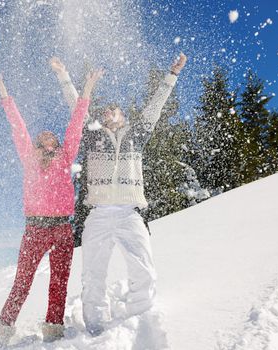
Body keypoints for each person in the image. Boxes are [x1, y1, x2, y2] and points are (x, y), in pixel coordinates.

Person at [51, 53, 187, 336]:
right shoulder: (92, 134)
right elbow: (76, 107)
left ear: (123, 116)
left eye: (113, 111)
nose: (108, 114)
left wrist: (171, 76)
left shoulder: (137, 134)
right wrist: (64, 76)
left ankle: (140, 320)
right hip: (98, 214)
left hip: (130, 213)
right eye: (105, 112)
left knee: (143, 269)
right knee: (93, 274)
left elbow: (154, 108)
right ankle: (96, 329)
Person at [0, 66, 103, 346]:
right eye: (44, 136)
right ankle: (4, 328)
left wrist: (86, 90)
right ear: (38, 143)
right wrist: (3, 92)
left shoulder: (66, 157)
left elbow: (76, 123)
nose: (49, 137)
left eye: (53, 136)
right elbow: (18, 125)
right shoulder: (29, 158)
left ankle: (53, 329)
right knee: (22, 282)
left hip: (63, 227)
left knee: (59, 282)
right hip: (35, 228)